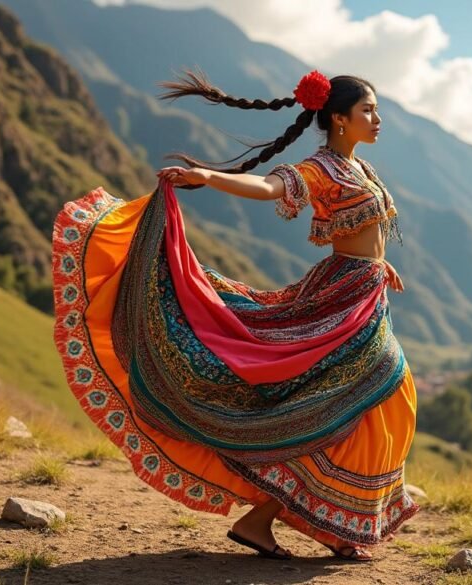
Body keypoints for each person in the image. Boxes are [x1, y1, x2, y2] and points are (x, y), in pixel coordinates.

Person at [51, 69, 418, 563]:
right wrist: (207, 177)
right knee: (362, 394)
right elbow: (269, 187)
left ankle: (296, 521)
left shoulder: (360, 168)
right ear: (338, 119)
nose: (378, 119)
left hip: (363, 293)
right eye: (368, 110)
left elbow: (361, 229)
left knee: (362, 402)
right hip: (339, 299)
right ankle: (303, 521)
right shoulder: (320, 168)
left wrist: (378, 264)